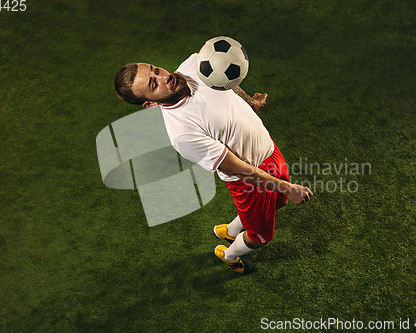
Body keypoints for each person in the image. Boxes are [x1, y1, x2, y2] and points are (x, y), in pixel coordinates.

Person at [114, 53, 313, 274]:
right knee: (261, 236)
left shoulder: (196, 65)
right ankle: (229, 255)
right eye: (153, 83)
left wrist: (250, 101)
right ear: (149, 103)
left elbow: (225, 85)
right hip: (250, 180)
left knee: (279, 203)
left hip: (269, 149)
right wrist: (288, 187)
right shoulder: (182, 134)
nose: (164, 76)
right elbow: (243, 171)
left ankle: (229, 230)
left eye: (155, 69)